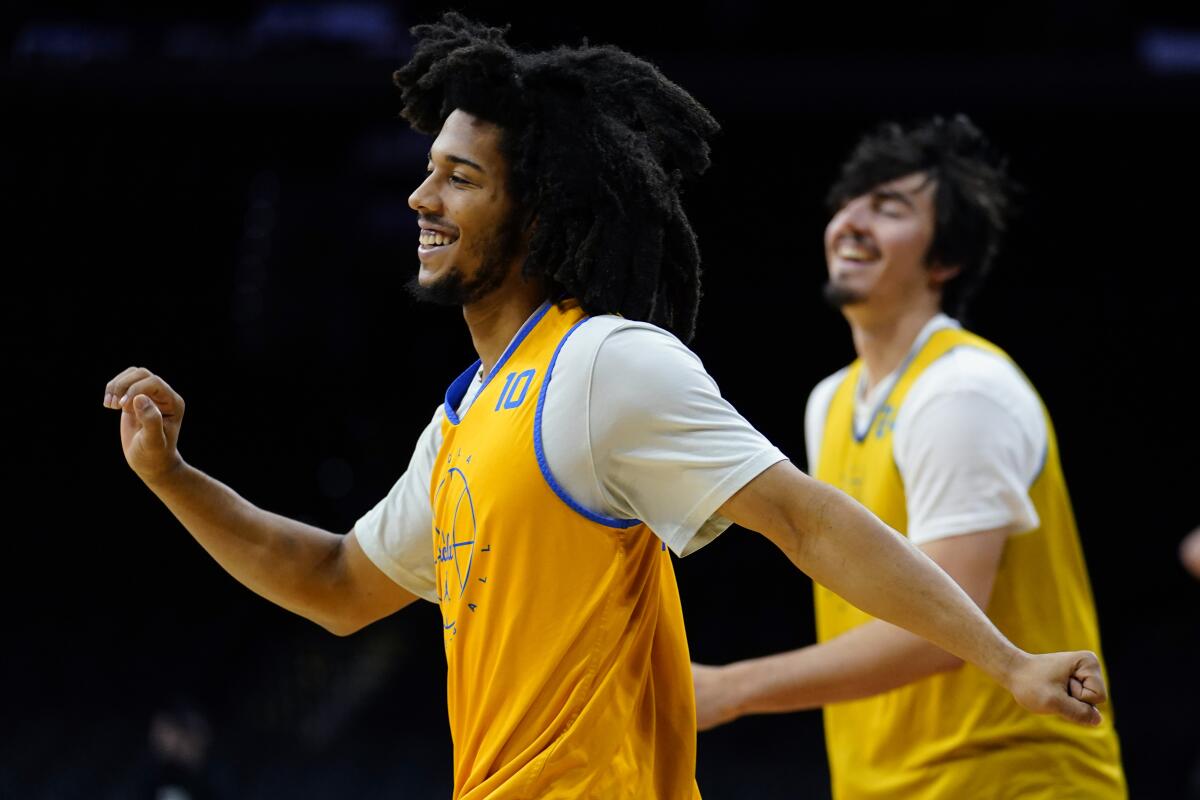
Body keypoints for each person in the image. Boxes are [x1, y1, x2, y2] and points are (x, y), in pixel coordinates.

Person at [104, 19, 1109, 799]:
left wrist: (1009, 662)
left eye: (459, 177)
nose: (421, 196)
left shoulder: (603, 364)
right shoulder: (460, 419)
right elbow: (333, 582)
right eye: (426, 171)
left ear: (534, 213)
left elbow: (803, 519)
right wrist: (174, 478)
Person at [691, 116, 1126, 798]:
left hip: (1010, 780)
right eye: (848, 204)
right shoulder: (830, 401)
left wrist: (727, 689)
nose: (852, 221)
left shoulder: (963, 390)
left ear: (943, 260)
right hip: (883, 783)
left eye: (888, 209)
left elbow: (936, 637)